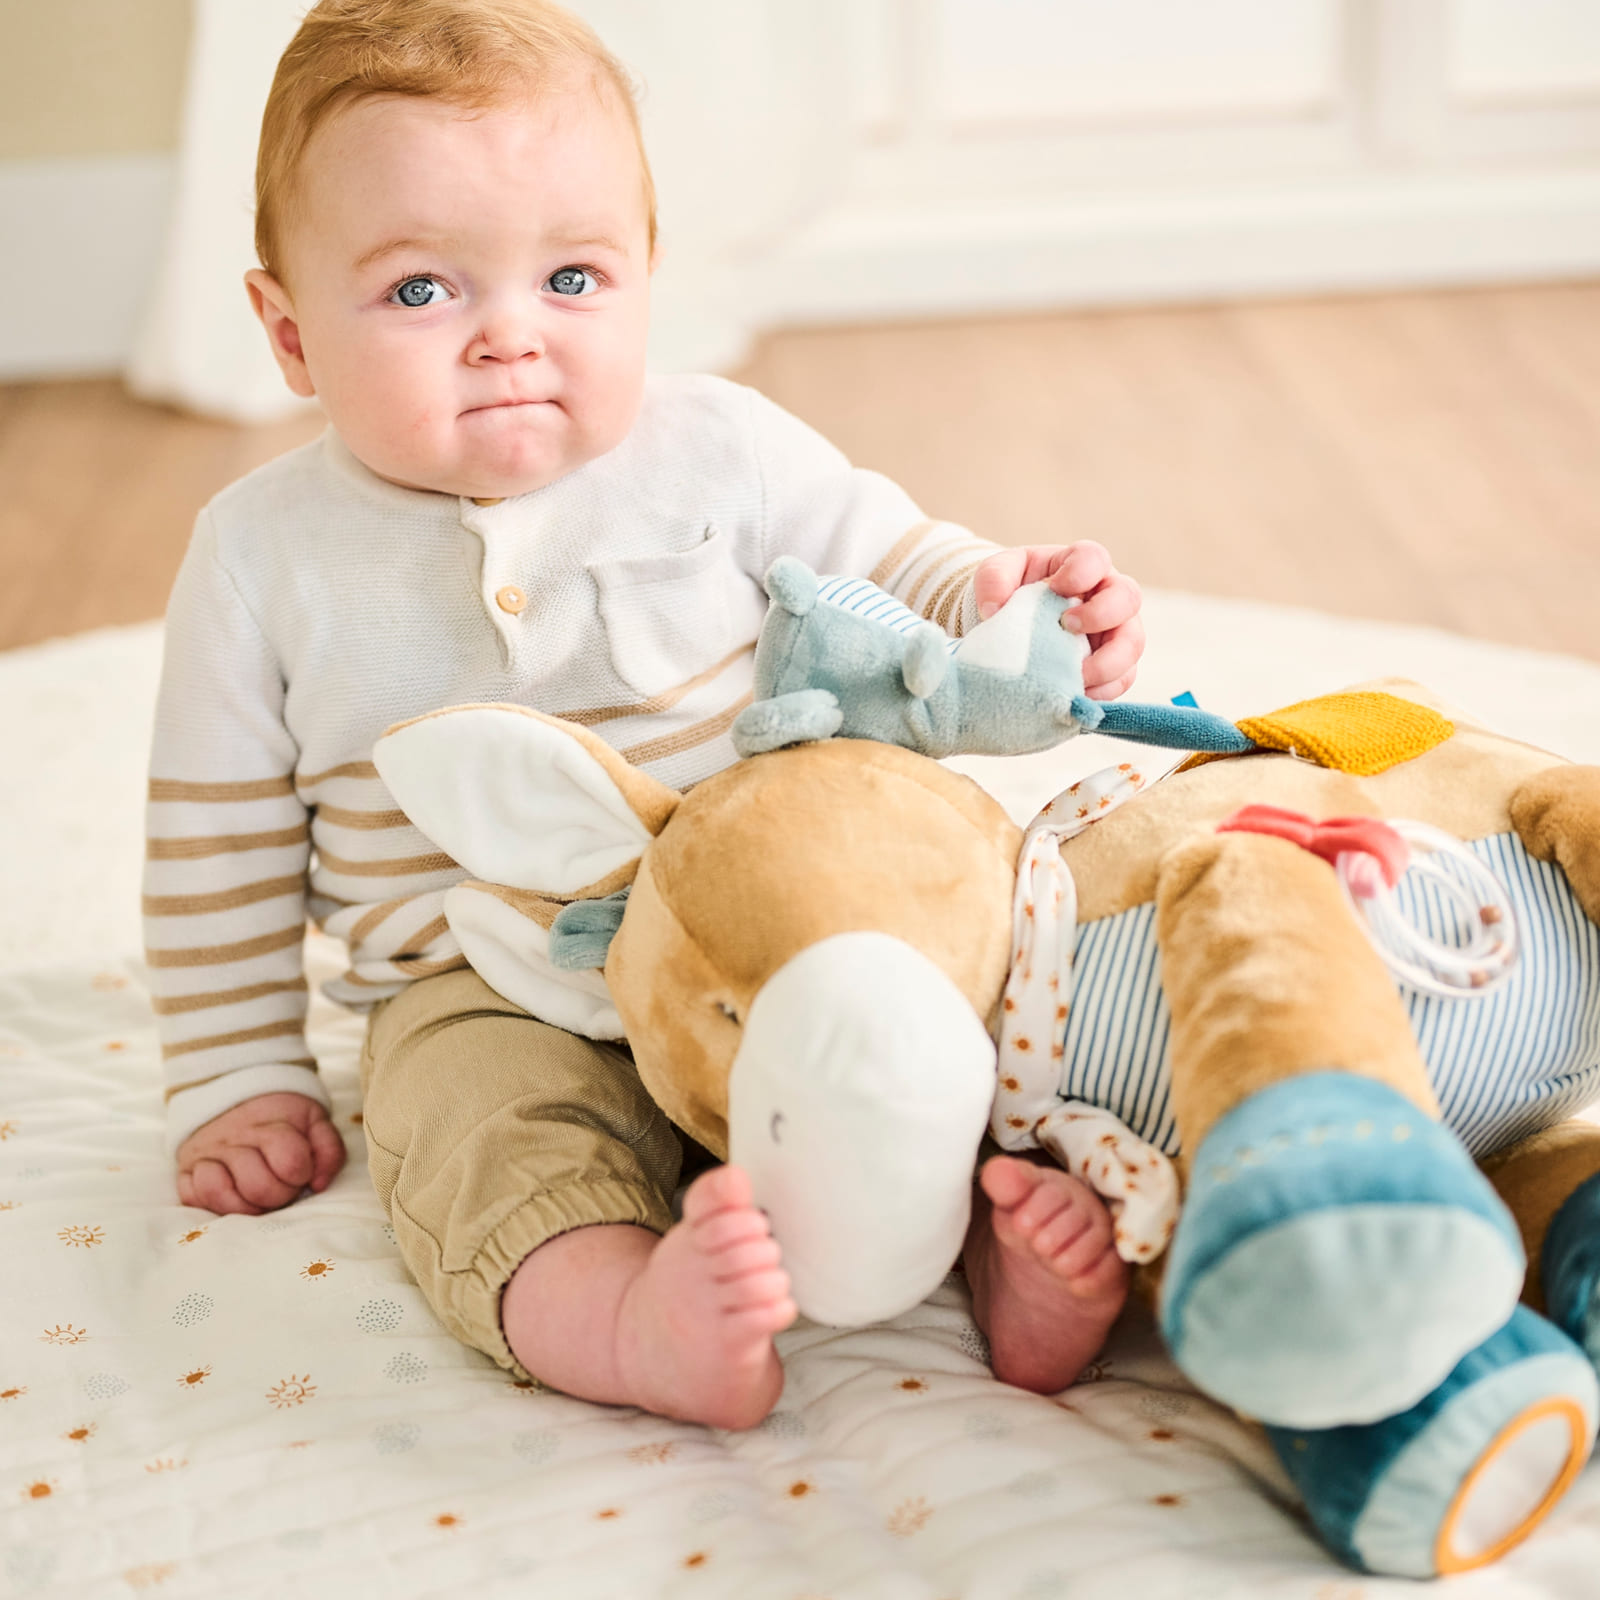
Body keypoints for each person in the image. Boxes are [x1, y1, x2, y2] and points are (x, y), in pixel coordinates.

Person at [144, 0, 1144, 1429]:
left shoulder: (720, 446)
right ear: (289, 331)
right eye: (423, 292)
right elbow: (215, 846)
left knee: (923, 1021)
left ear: (648, 278)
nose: (509, 338)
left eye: (571, 276)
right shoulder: (260, 557)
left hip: (760, 918)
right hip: (484, 977)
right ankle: (625, 1313)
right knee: (478, 1132)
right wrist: (234, 1074)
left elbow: (884, 558)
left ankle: (1001, 1252)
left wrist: (1009, 597)